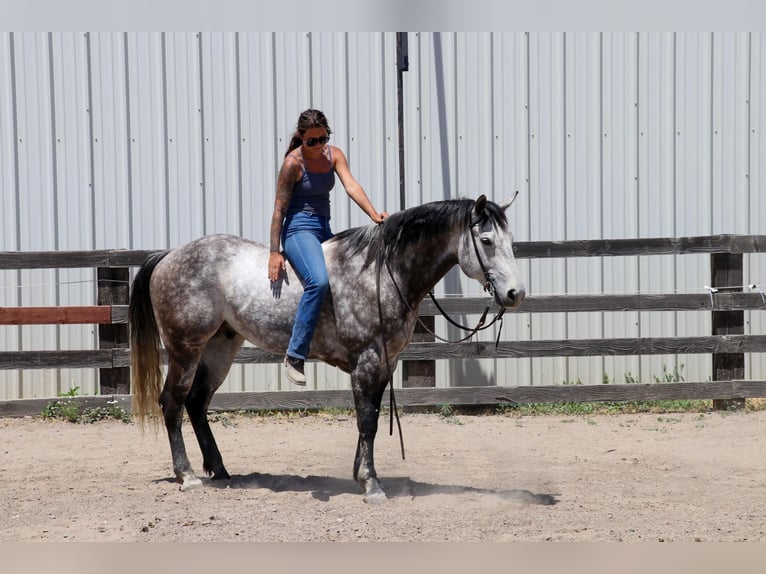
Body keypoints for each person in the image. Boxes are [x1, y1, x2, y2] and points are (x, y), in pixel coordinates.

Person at [268, 109, 388, 386]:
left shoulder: (334, 155)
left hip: (324, 228)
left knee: (353, 279)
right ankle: (295, 355)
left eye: (323, 138)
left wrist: (373, 214)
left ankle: (344, 344)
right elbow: (279, 210)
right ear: (301, 138)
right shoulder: (292, 164)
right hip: (299, 230)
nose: (319, 145)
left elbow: (351, 185)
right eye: (312, 141)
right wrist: (274, 251)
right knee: (318, 281)